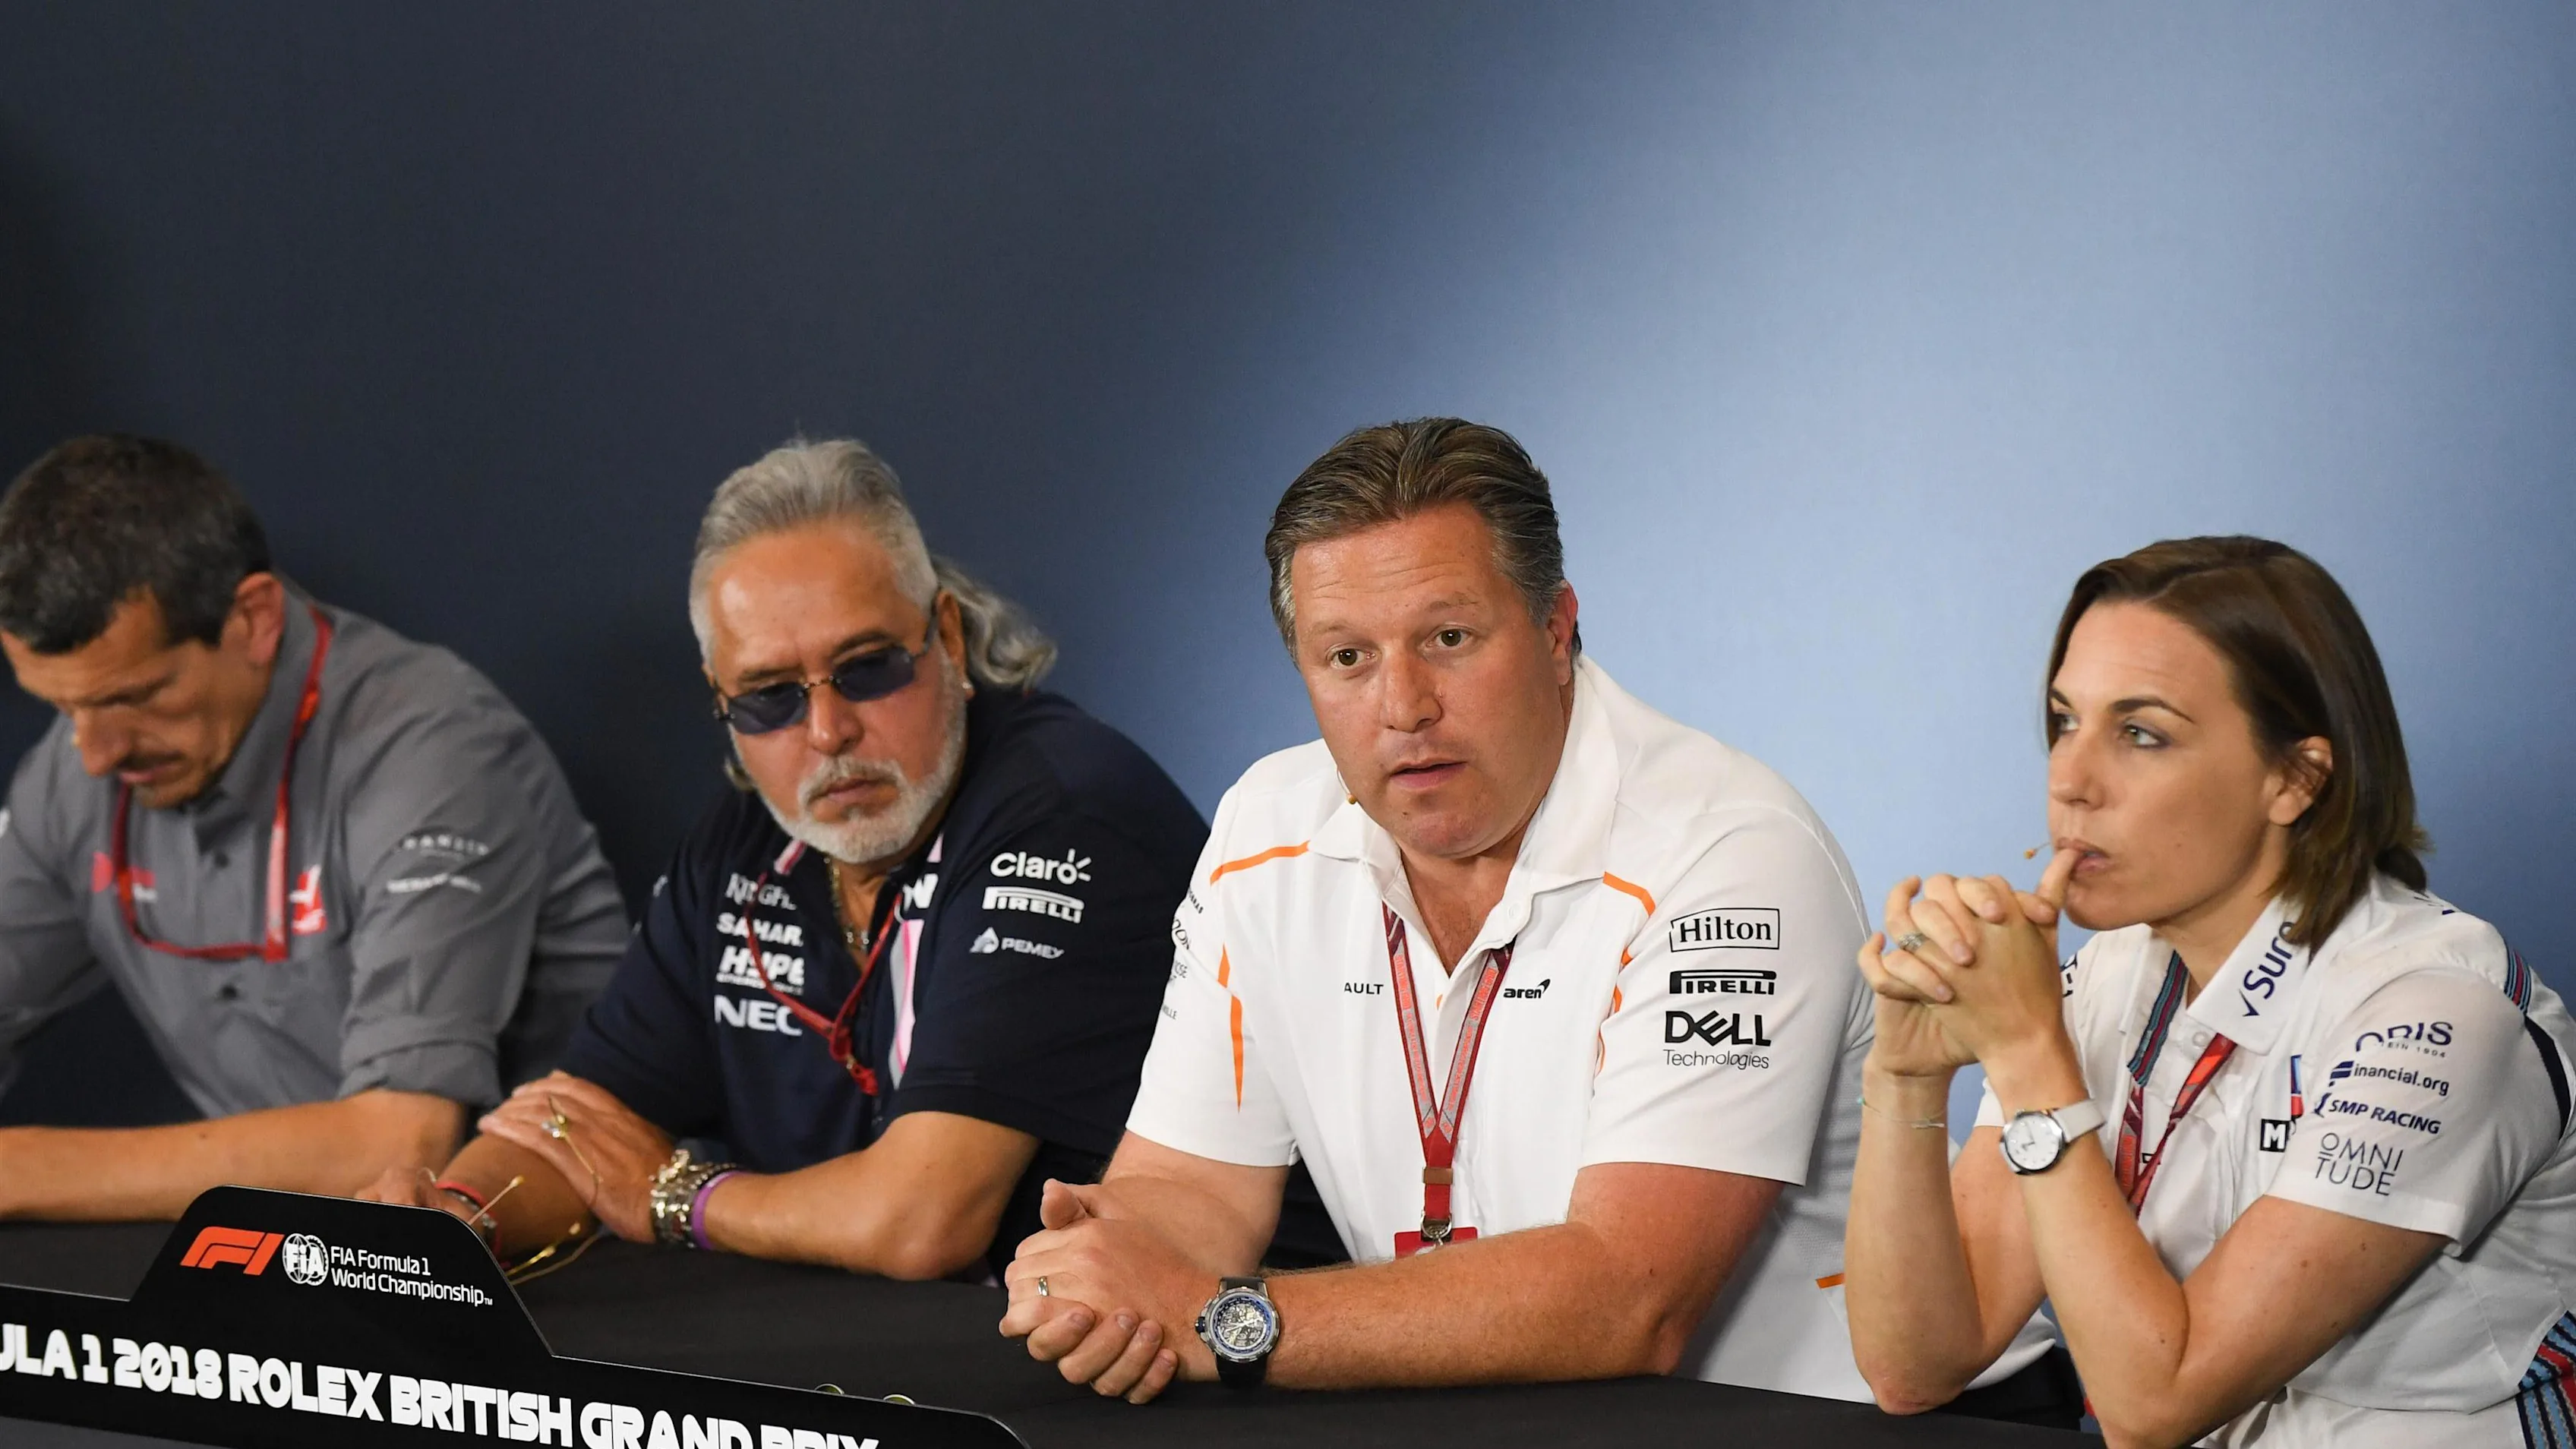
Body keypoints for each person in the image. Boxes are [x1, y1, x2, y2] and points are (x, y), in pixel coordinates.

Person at [997, 418, 2063, 1411]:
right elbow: (1193, 1184)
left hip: (1848, 1426)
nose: (1403, 707)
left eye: (1449, 637)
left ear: (1557, 629)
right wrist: (1107, 1269)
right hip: (1498, 1413)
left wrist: (1224, 1321)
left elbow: (1629, 1295)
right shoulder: (1262, 829)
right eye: (1347, 657)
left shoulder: (1729, 852)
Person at [368, 438, 1217, 1285]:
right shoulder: (747, 840)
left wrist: (676, 1197)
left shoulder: (1065, 813)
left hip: (1130, 1341)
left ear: (950, 640)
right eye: (770, 696)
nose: (827, 732)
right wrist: (459, 1217)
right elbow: (575, 1128)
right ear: (721, 699)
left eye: (867, 669)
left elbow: (920, 1222)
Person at [1842, 536, 2576, 1447]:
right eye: (2064, 721)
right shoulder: (2103, 978)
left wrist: (2029, 1056)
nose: (2067, 781)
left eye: (2139, 734)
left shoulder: (2440, 1013)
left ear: (2294, 779)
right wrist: (1904, 1078)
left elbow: (2155, 1405)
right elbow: (1914, 1367)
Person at [0, 434, 628, 1219]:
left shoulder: (430, 746)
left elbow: (398, 1143)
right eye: (62, 708)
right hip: (286, 1249)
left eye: (136, 696)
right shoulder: (75, 772)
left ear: (254, 619)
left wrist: (23, 1168)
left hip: (542, 1248)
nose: (96, 754)